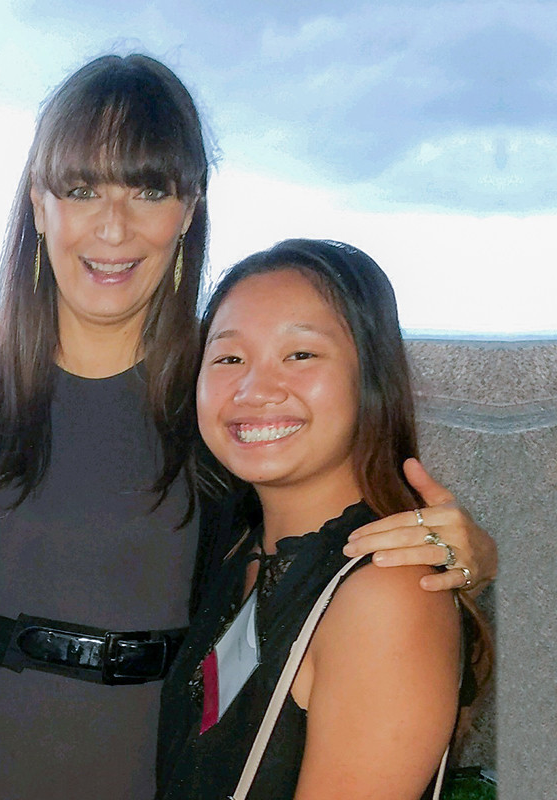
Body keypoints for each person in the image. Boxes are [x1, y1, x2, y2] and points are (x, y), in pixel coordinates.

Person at [0, 56, 497, 799]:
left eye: (147, 189)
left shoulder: (221, 401)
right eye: (80, 188)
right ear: (38, 203)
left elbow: (315, 540)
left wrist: (468, 554)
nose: (112, 227)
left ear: (188, 209)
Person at [156, 239, 489, 799]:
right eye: (229, 358)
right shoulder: (242, 549)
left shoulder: (387, 591)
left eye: (301, 355)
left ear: (372, 377)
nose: (254, 389)